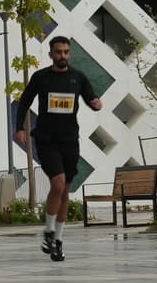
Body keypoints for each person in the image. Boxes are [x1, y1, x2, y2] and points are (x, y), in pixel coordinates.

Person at [14, 35, 102, 262]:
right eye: (58, 52)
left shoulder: (78, 78)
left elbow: (91, 99)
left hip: (70, 141)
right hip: (46, 140)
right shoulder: (41, 77)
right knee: (58, 182)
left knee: (65, 191)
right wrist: (19, 128)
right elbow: (24, 101)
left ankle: (58, 241)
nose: (63, 56)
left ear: (69, 54)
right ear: (51, 54)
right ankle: (48, 231)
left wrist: (96, 104)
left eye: (66, 52)